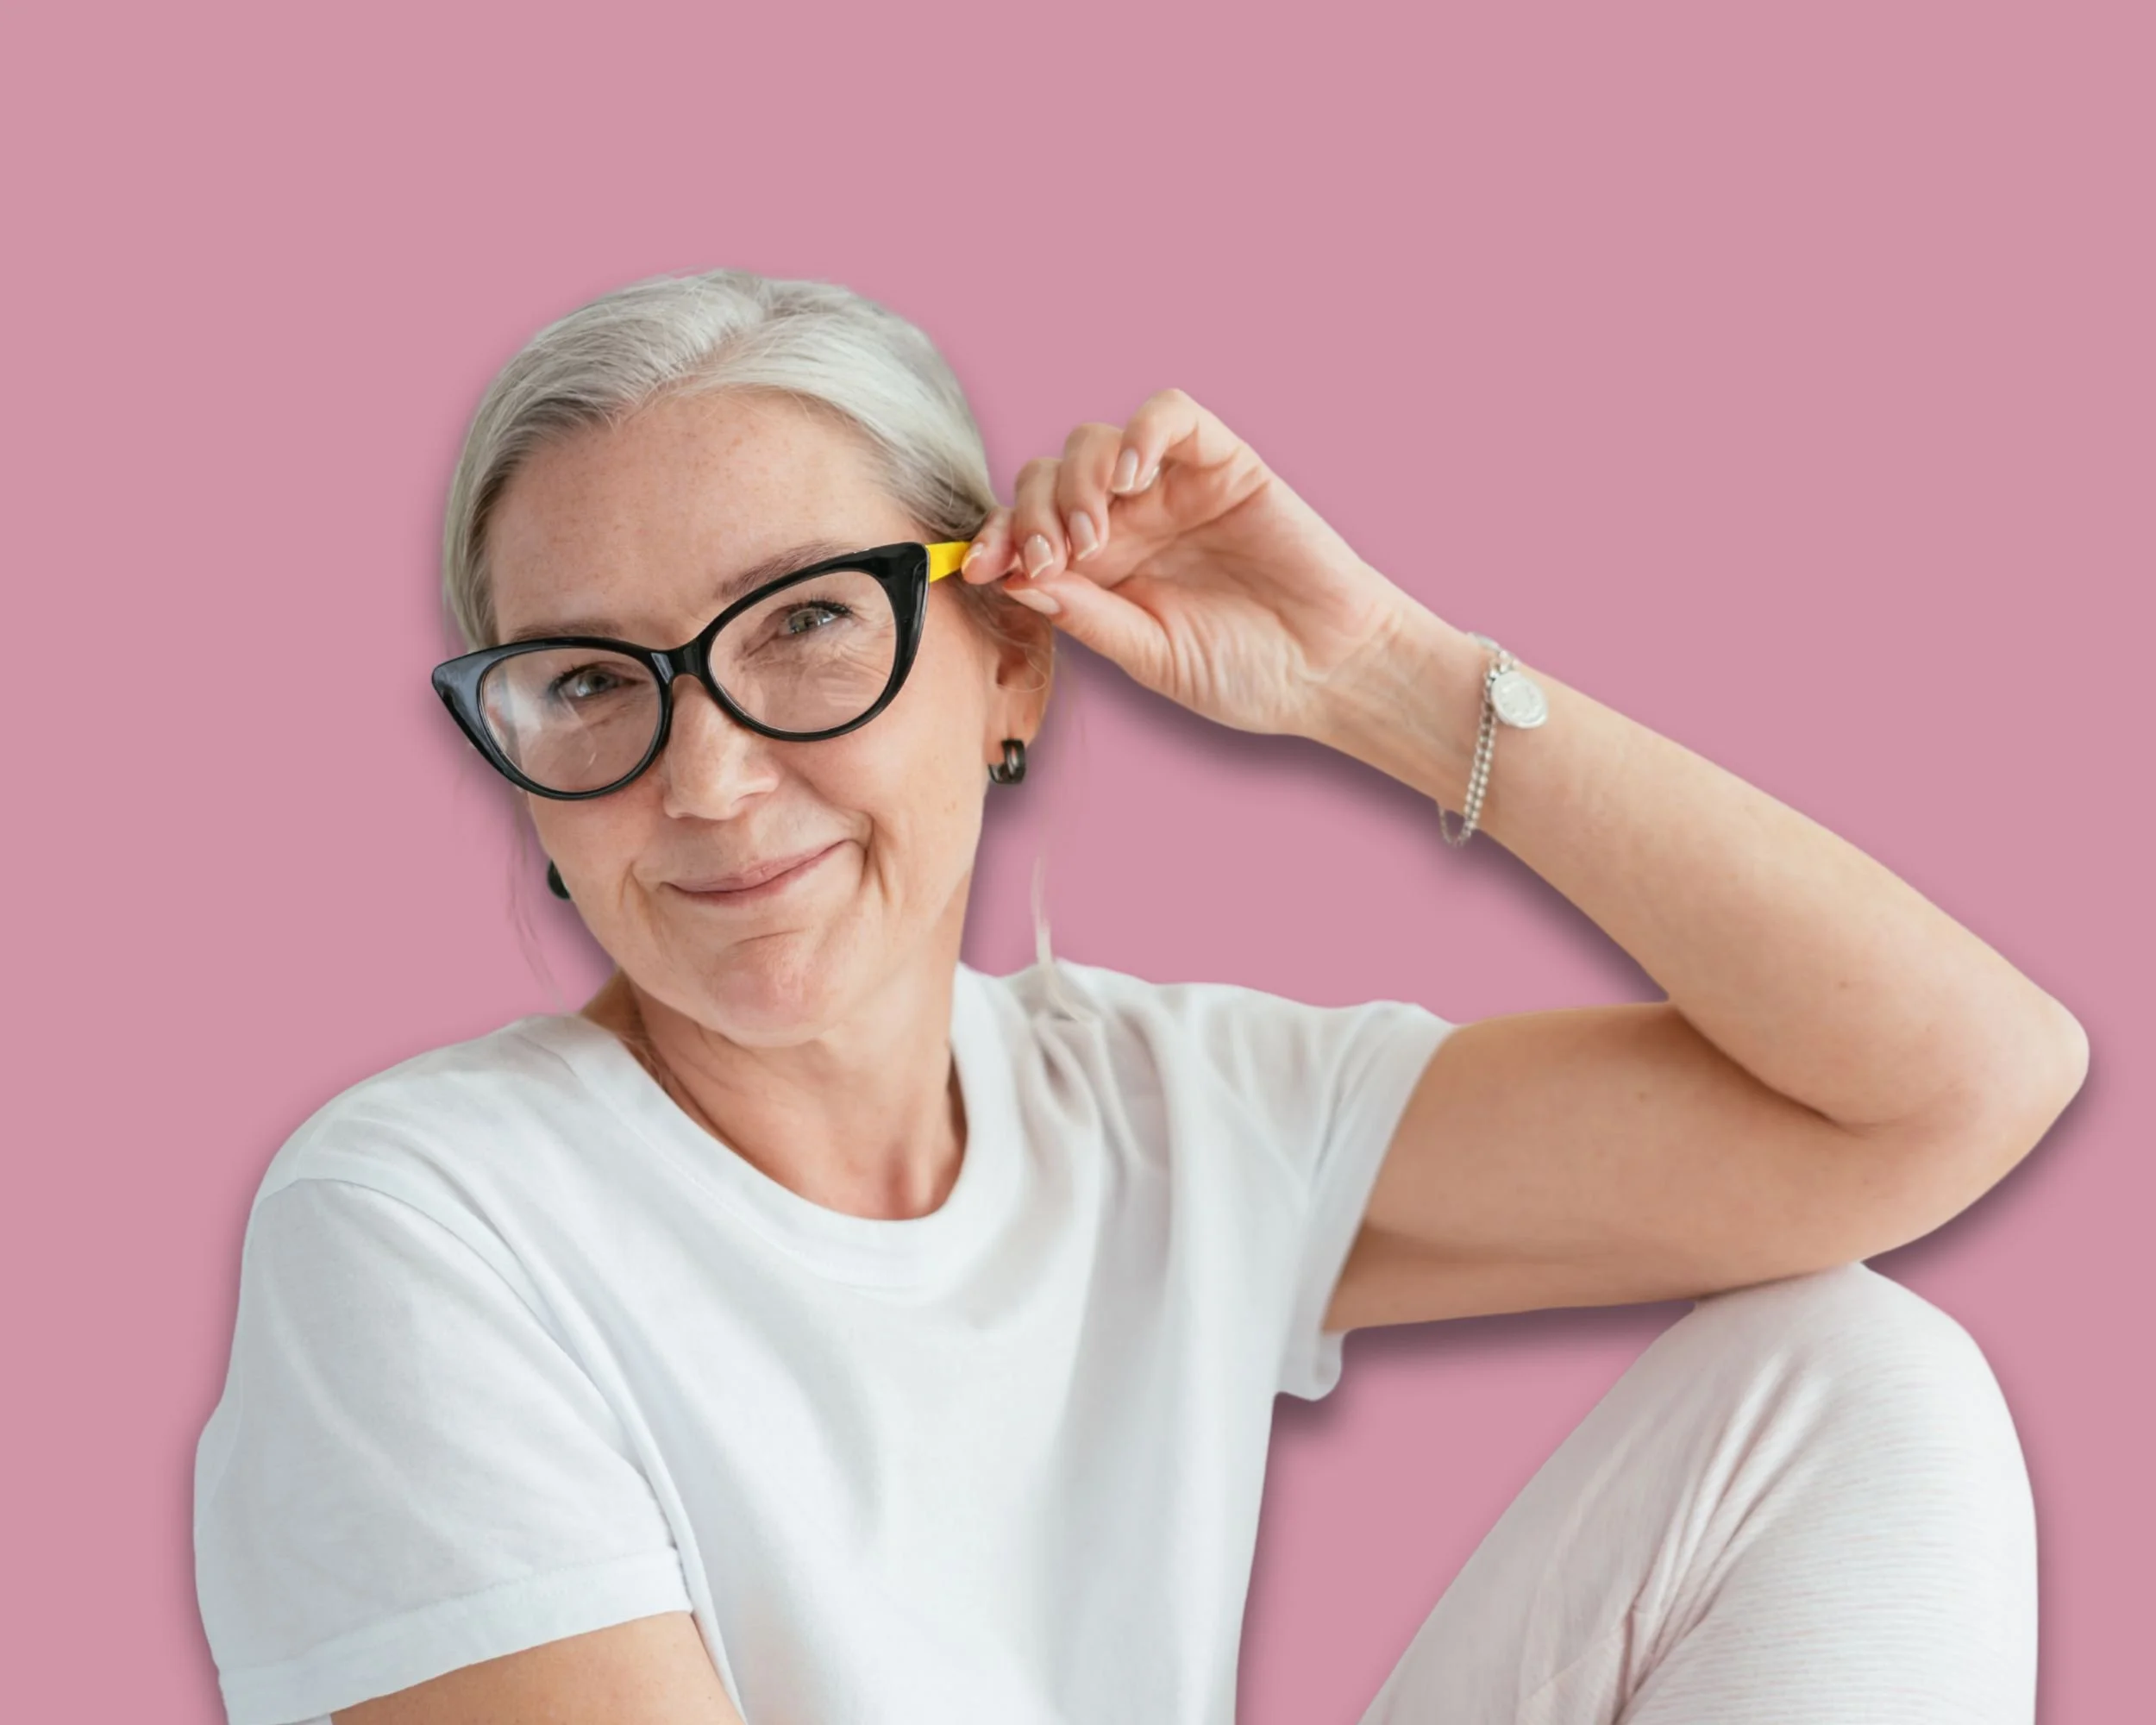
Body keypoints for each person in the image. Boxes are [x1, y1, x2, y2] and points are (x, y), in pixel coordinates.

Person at [191, 269, 2086, 1725]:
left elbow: (1941, 1091)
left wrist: (1379, 680)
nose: (703, 779)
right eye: (589, 683)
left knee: (1856, 1381)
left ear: (1009, 659)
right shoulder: (419, 1219)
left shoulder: (1160, 1114)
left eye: (808, 623)